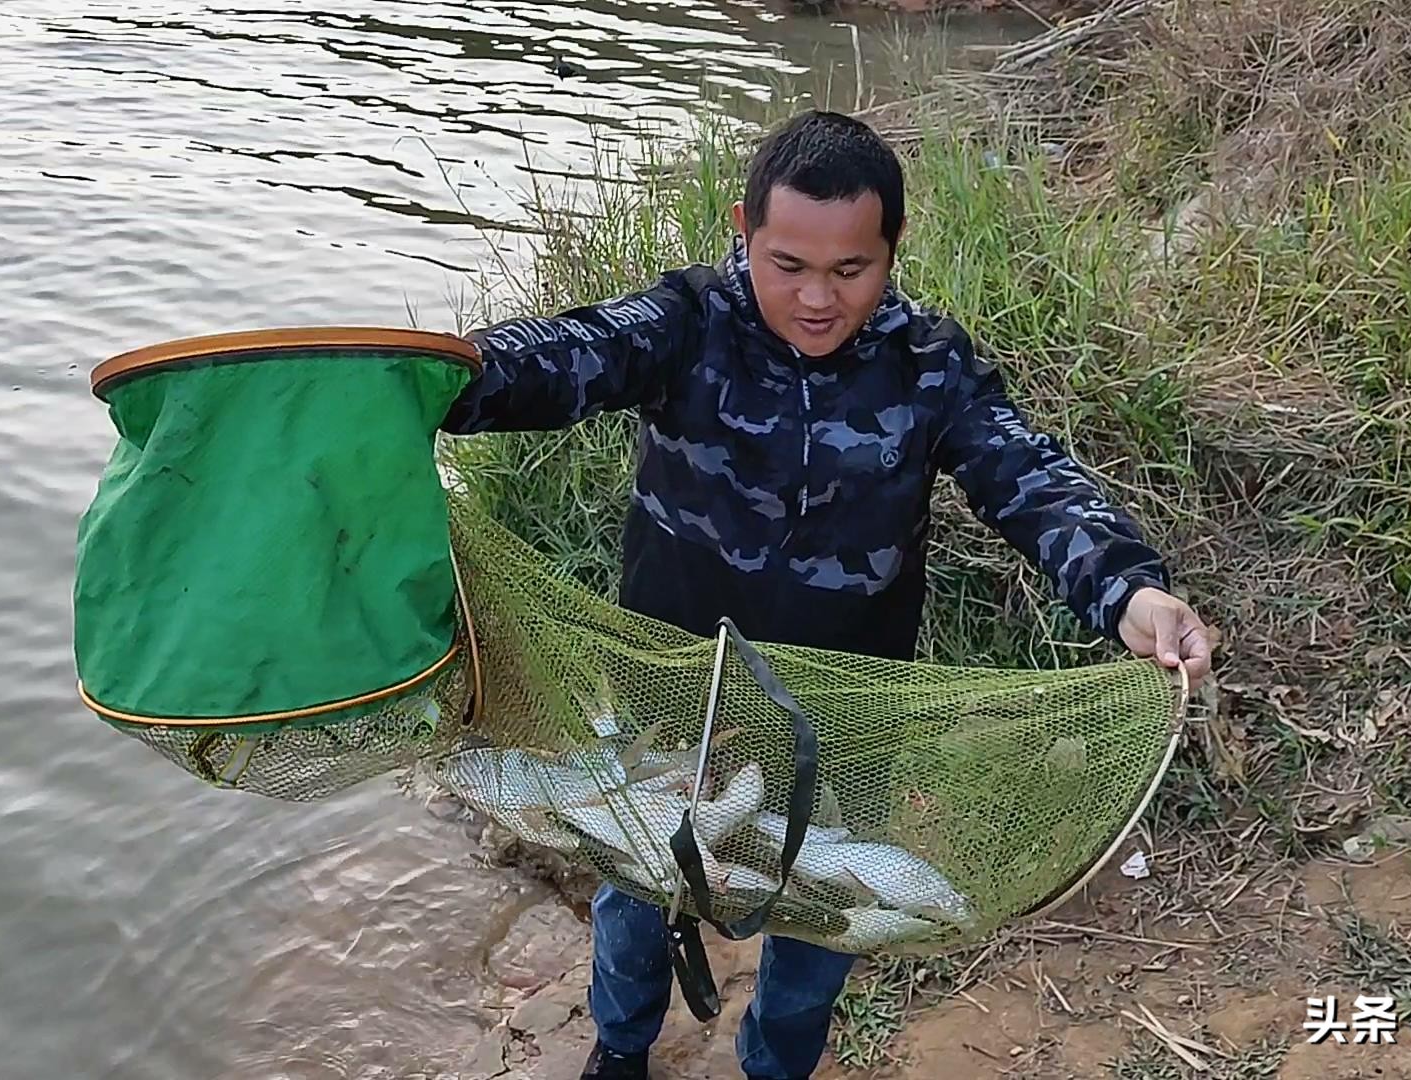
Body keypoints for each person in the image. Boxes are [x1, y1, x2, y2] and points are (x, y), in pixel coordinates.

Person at [440, 109, 1215, 1080]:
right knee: (636, 888)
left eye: (851, 270)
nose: (816, 298)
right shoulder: (689, 325)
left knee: (820, 925)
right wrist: (449, 378)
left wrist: (1130, 593)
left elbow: (1028, 475)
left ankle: (775, 1064)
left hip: (845, 716)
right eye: (787, 264)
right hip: (672, 696)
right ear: (743, 227)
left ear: (891, 248)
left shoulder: (929, 365)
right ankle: (622, 1047)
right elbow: (564, 356)